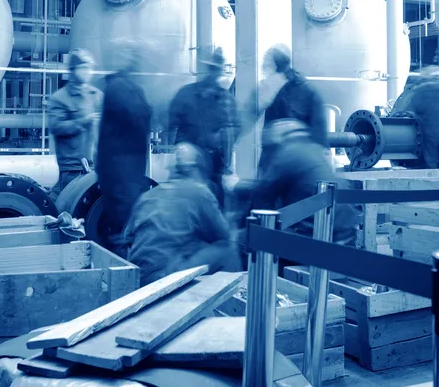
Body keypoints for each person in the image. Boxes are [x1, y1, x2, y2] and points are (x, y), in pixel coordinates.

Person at [235, 119, 358, 268]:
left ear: (278, 140)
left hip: (316, 240)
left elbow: (261, 197)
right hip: (347, 237)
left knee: (246, 237)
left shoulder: (288, 153)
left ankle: (255, 287)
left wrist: (241, 219)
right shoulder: (316, 150)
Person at [124, 142, 242, 286]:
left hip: (140, 277)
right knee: (228, 248)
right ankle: (235, 298)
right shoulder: (199, 192)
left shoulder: (148, 195)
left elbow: (127, 238)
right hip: (165, 277)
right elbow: (223, 236)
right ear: (196, 169)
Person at [97, 41, 153, 258]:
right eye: (132, 55)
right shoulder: (119, 87)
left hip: (128, 169)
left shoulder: (126, 86)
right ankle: (126, 270)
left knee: (127, 219)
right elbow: (138, 116)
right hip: (121, 171)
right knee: (125, 221)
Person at [168, 47, 240, 210]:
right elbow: (172, 123)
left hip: (215, 165)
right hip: (190, 164)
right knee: (188, 204)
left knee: (213, 204)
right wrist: (181, 150)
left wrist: (225, 152)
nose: (215, 73)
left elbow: (234, 128)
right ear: (208, 69)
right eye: (212, 68)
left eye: (217, 68)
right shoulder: (186, 94)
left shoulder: (225, 99)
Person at [243, 45, 328, 174]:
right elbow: (248, 118)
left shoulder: (307, 92)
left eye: (266, 66)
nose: (264, 72)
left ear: (276, 67)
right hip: (278, 163)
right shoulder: (270, 90)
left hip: (296, 165)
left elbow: (320, 136)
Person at [47, 49, 103, 202]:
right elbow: (56, 127)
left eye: (90, 68)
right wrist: (82, 121)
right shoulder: (60, 99)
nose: (88, 72)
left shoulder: (96, 95)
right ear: (72, 71)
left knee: (94, 207)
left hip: (96, 165)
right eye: (83, 68)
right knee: (70, 207)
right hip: (72, 167)